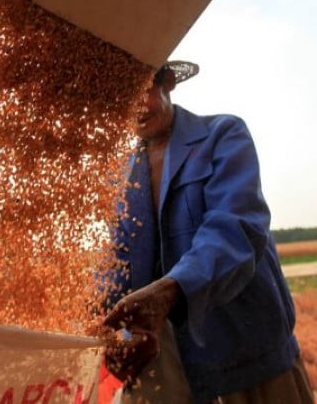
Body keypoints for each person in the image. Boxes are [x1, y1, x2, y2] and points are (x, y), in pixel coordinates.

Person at [101, 61, 313, 403]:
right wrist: (105, 320)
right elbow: (117, 260)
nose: (136, 108)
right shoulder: (121, 175)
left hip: (245, 357)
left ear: (167, 82)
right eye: (121, 99)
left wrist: (171, 290)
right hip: (166, 362)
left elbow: (235, 228)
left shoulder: (222, 135)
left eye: (142, 91)